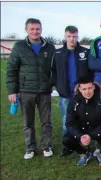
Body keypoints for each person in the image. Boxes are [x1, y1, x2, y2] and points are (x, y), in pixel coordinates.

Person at [6, 18, 55, 159]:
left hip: (45, 91)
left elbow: (55, 69)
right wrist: (12, 91)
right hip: (26, 91)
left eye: (37, 29)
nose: (35, 31)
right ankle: (30, 148)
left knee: (46, 121)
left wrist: (52, 84)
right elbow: (11, 70)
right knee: (28, 122)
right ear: (26, 30)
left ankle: (46, 146)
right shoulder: (19, 46)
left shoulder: (49, 47)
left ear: (41, 29)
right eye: (32, 29)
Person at [52, 25, 92, 157]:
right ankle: (67, 146)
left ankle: (87, 142)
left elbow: (90, 71)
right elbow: (54, 72)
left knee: (86, 118)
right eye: (69, 36)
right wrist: (58, 86)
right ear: (65, 36)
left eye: (74, 36)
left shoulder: (85, 52)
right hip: (66, 94)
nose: (72, 39)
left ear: (77, 37)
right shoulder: (58, 53)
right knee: (66, 120)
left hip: (82, 93)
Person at [62, 76, 101, 167]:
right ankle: (84, 153)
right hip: (82, 130)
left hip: (98, 130)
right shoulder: (73, 101)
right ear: (79, 89)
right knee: (66, 139)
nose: (87, 92)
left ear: (93, 86)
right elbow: (69, 123)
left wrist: (91, 135)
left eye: (89, 88)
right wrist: (79, 135)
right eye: (84, 89)